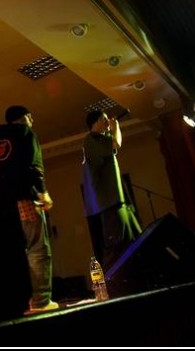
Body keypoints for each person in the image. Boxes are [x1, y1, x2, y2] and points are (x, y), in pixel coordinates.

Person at [0, 105, 58, 314]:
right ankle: (40, 301)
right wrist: (42, 192)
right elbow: (33, 165)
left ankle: (17, 302)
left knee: (11, 252)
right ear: (23, 118)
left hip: (0, 206)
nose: (32, 119)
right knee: (37, 248)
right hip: (24, 199)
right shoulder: (26, 133)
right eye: (29, 116)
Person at [81, 110, 141, 270]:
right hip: (108, 203)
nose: (108, 123)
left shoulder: (101, 139)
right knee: (115, 244)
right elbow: (116, 144)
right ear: (98, 120)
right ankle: (112, 282)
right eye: (105, 120)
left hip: (117, 200)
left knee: (133, 239)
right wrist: (116, 128)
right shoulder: (91, 139)